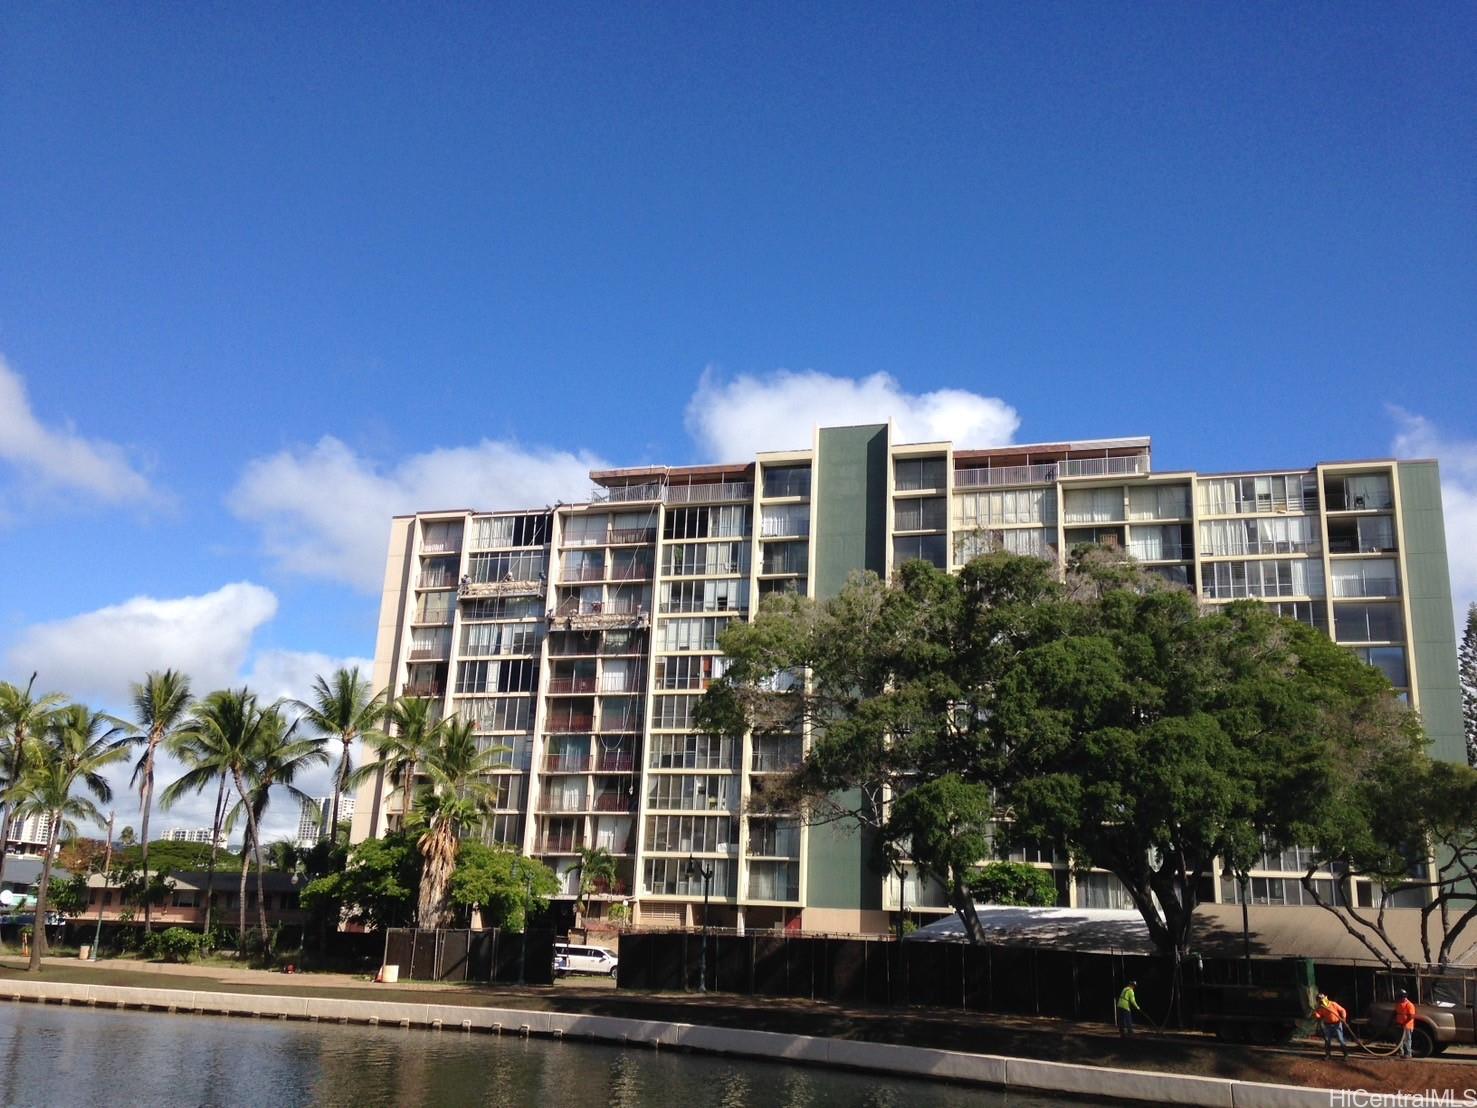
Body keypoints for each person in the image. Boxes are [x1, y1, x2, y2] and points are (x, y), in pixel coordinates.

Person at [1313, 993, 1349, 1059]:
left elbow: (1342, 1010)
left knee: (1340, 1039)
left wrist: (1343, 1018)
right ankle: (1328, 1055)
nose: (1321, 1001)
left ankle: (1345, 1055)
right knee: (1327, 1040)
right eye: (1319, 1000)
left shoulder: (1333, 1004)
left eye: (1321, 999)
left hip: (1337, 1024)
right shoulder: (1320, 1007)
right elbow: (1319, 1016)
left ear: (1324, 998)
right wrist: (1316, 1014)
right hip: (1327, 1025)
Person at [1394, 989, 1418, 1058]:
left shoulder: (1409, 1005)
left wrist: (1404, 1023)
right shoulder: (1398, 1004)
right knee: (1399, 1040)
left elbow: (1411, 1016)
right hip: (1399, 1024)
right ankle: (1400, 1052)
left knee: (1406, 1040)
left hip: (1407, 1026)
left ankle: (1408, 1053)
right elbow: (1396, 1012)